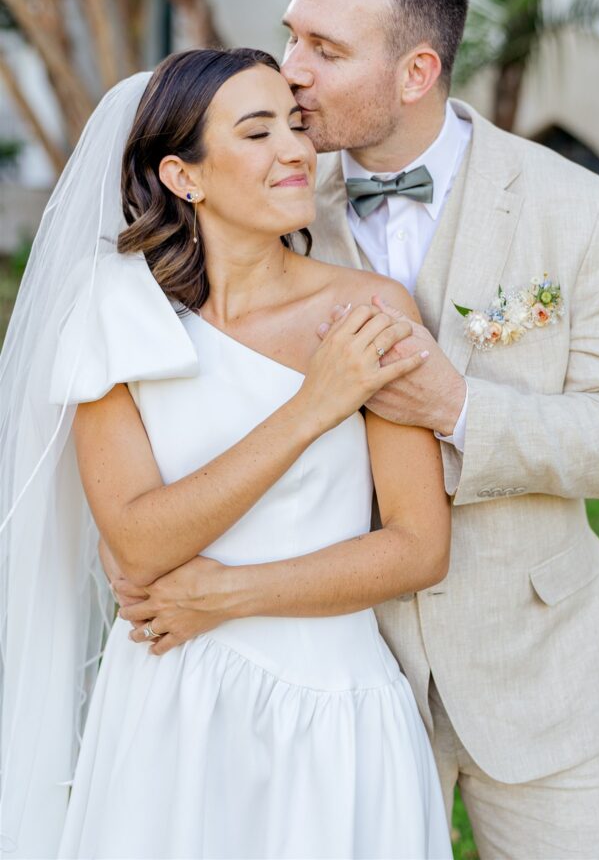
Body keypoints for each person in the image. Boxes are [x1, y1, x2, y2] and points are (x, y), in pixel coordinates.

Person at [112, 0, 599, 860]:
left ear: (415, 71)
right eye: (292, 36)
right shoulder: (265, 196)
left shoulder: (578, 208)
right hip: (332, 682)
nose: (289, 74)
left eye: (325, 53)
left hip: (542, 681)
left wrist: (458, 409)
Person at [0, 48, 454, 859]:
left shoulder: (369, 310)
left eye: (295, 124)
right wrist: (315, 404)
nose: (294, 151)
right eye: (256, 132)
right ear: (184, 176)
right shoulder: (114, 313)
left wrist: (229, 595)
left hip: (333, 707)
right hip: (172, 704)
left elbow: (417, 548)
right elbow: (138, 542)